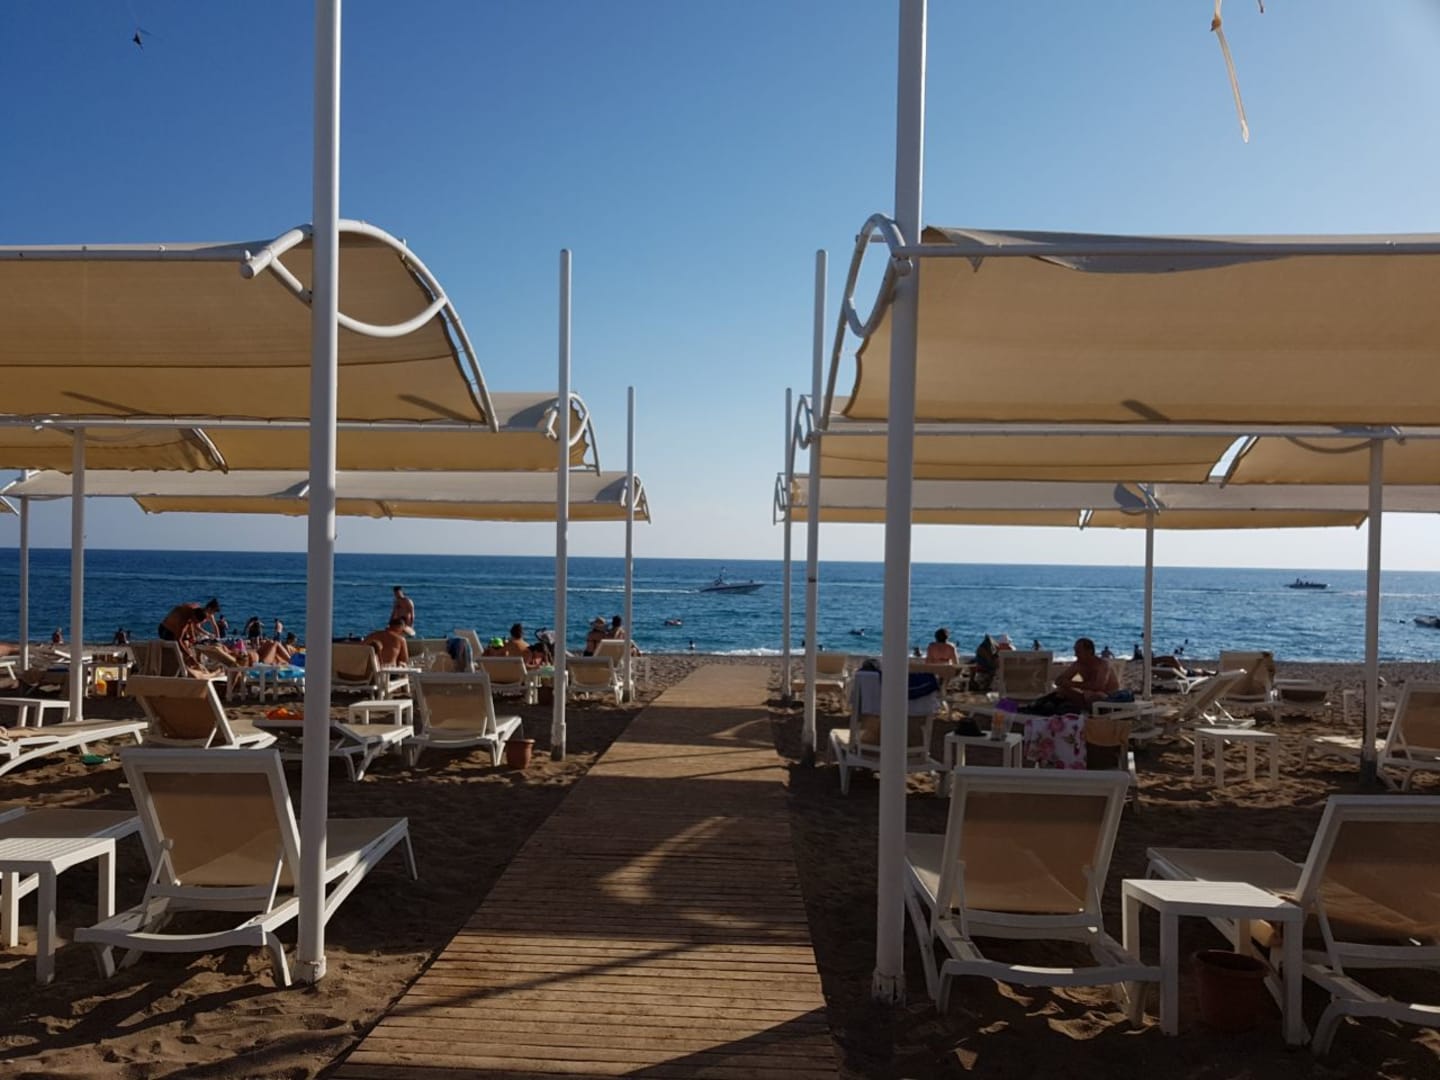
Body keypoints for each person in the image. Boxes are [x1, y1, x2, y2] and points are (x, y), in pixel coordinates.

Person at [1052, 637, 1120, 707]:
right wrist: (1065, 682)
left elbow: (1099, 686)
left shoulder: (1102, 665)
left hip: (1108, 699)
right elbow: (1058, 681)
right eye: (1075, 651)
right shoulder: (1079, 665)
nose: (1075, 655)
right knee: (1061, 690)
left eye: (1078, 652)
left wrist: (1072, 683)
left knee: (1097, 696)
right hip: (1087, 698)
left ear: (1089, 651)